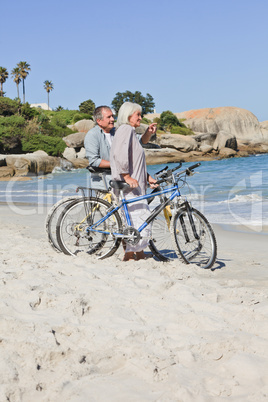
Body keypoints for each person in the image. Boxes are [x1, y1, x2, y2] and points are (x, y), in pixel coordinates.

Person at [110, 102, 158, 261]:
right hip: (129, 186)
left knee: (136, 219)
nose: (141, 117)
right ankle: (130, 254)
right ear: (128, 115)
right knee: (137, 218)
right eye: (138, 114)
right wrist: (126, 176)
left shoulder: (128, 131)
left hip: (135, 185)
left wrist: (147, 177)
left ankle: (139, 252)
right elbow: (120, 154)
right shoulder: (126, 129)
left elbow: (135, 161)